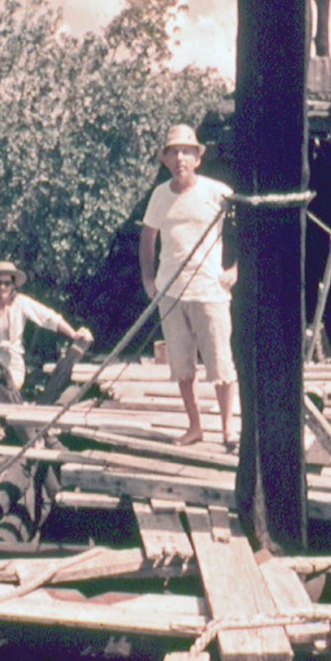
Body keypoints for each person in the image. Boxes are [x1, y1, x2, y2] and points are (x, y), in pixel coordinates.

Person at [138, 124, 238, 447]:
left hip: (210, 291)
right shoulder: (159, 196)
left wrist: (237, 269)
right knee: (182, 366)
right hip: (171, 291)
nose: (180, 157)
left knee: (220, 364)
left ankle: (227, 428)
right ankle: (195, 427)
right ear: (165, 159)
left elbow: (249, 230)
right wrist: (149, 280)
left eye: (187, 151)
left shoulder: (218, 192)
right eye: (174, 152)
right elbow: (147, 238)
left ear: (197, 157)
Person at [0, 260, 92, 442]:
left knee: (7, 397)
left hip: (12, 361)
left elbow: (48, 317)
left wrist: (73, 333)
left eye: (7, 283)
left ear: (13, 284)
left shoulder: (21, 303)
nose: (3, 287)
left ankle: (20, 440)